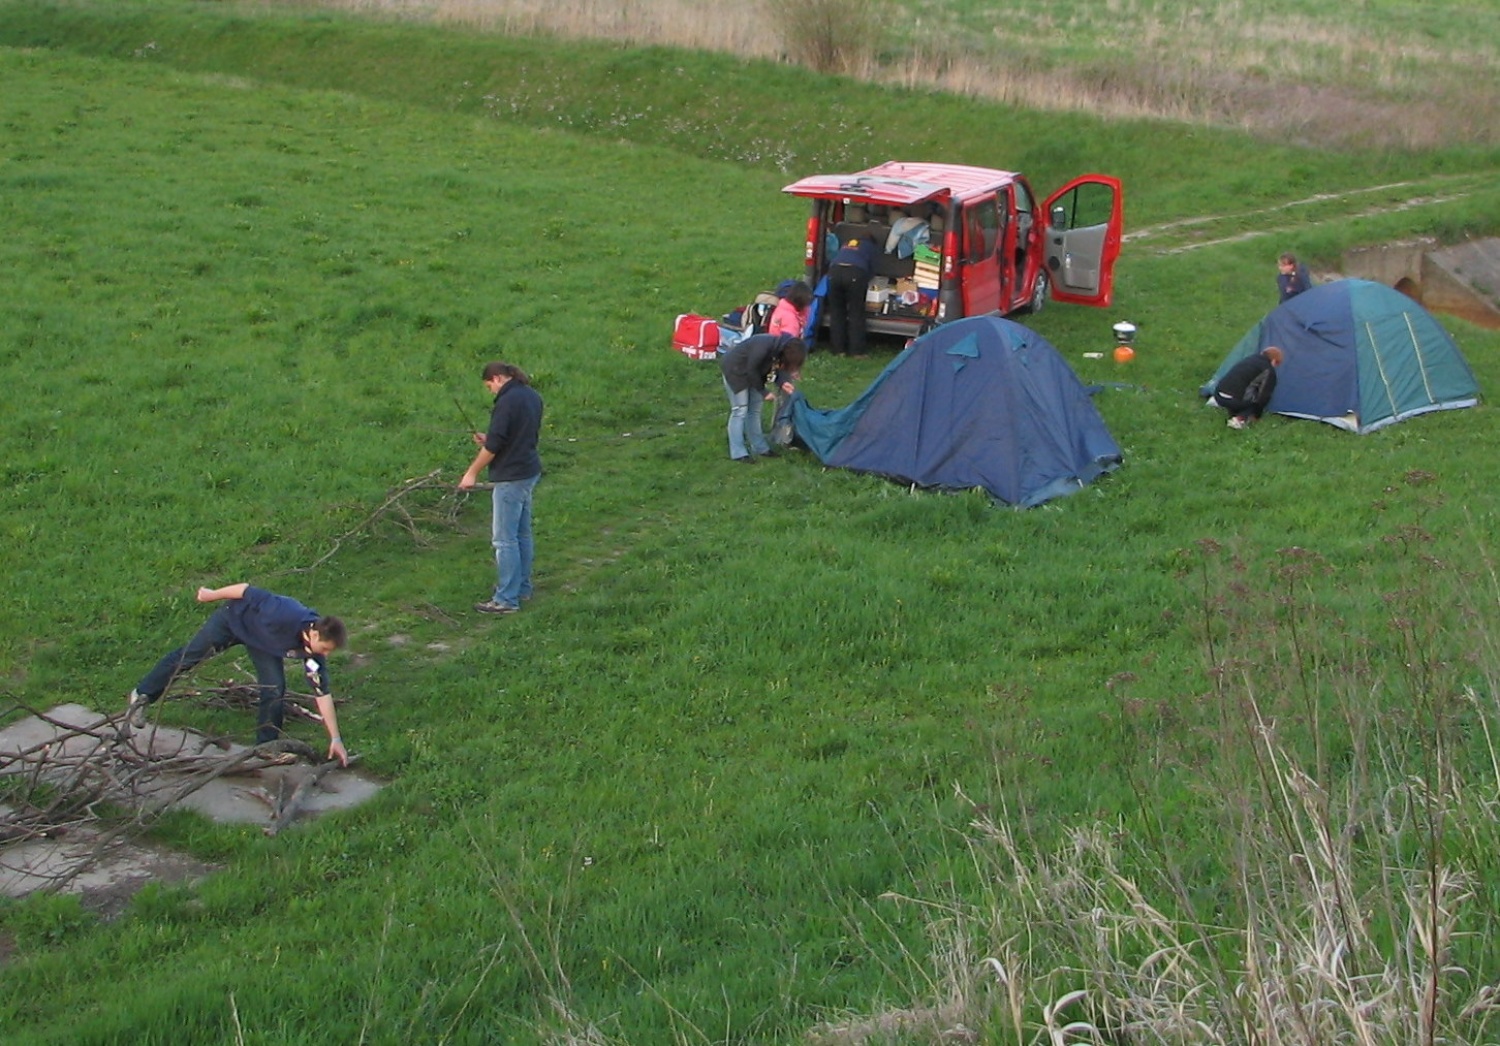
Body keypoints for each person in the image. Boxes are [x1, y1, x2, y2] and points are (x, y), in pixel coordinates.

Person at [123, 583, 350, 765]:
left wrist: (336, 739)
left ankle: (266, 747)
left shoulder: (314, 657)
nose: (326, 655)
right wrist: (210, 595)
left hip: (261, 641)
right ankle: (142, 695)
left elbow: (322, 694)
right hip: (232, 621)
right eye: (326, 649)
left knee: (274, 688)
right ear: (315, 635)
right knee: (188, 657)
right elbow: (245, 590)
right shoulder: (284, 613)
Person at [460, 361, 544, 615]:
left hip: (511, 477)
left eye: (489, 386)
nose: (491, 391)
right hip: (529, 469)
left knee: (504, 540)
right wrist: (491, 438)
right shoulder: (531, 395)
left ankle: (506, 598)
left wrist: (471, 473)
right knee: (522, 535)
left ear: (497, 378)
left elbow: (495, 447)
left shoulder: (506, 402)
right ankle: (522, 588)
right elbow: (516, 434)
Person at [718, 333, 807, 462]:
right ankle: (738, 453)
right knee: (740, 411)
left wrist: (783, 383)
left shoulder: (779, 351)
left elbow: (776, 370)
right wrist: (764, 392)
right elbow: (752, 369)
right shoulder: (763, 346)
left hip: (754, 375)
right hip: (735, 371)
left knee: (754, 411)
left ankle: (760, 448)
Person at [824, 233, 876, 358]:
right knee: (856, 312)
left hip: (834, 273)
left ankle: (838, 350)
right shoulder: (871, 247)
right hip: (855, 274)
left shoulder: (846, 244)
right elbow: (873, 269)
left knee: (836, 312)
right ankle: (857, 352)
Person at [1212, 346, 1284, 429]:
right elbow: (1264, 396)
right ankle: (1239, 420)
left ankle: (1224, 406)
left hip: (1218, 394)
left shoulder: (1250, 358)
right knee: (1253, 404)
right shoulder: (1268, 371)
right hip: (1232, 399)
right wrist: (1257, 414)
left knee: (1239, 394)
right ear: (1274, 361)